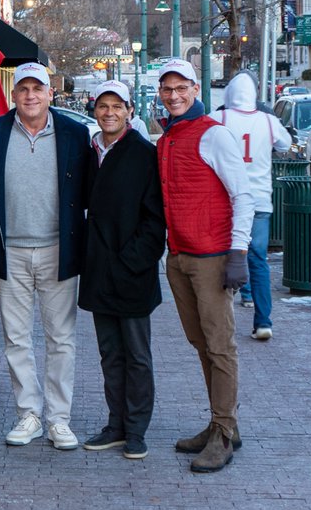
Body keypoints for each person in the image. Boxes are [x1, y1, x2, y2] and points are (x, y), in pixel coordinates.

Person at [0, 62, 93, 451]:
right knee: (16, 338)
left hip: (59, 250)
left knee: (61, 339)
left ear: (50, 93)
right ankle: (28, 413)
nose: (30, 96)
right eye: (23, 89)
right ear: (14, 95)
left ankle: (59, 419)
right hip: (10, 251)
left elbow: (91, 194)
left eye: (37, 89)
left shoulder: (75, 134)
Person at [155, 58, 254, 474]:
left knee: (220, 346)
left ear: (196, 90)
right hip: (179, 256)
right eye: (167, 89)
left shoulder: (214, 135)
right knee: (201, 344)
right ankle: (221, 420)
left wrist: (238, 253)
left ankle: (224, 432)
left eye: (182, 88)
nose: (174, 96)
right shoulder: (168, 137)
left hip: (212, 256)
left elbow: (243, 195)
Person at [79, 81, 165, 461]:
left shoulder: (144, 153)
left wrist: (132, 261)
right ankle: (115, 424)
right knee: (109, 353)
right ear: (94, 110)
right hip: (98, 271)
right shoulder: (91, 150)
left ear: (130, 110)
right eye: (102, 106)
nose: (109, 112)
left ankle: (136, 429)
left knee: (137, 354)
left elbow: (154, 220)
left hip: (131, 272)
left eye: (117, 106)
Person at [213, 71, 292, 339]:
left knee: (225, 256)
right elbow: (286, 144)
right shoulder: (268, 121)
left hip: (228, 199)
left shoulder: (220, 118)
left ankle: (224, 321)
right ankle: (263, 321)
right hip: (259, 200)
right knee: (258, 259)